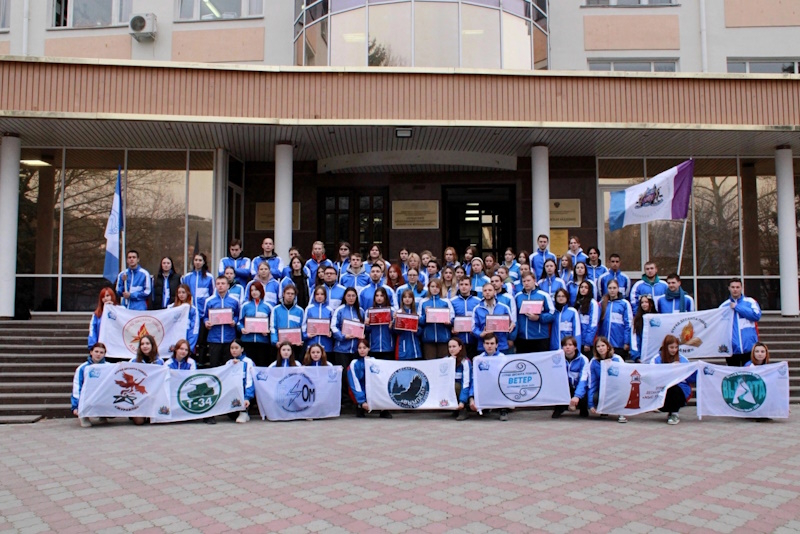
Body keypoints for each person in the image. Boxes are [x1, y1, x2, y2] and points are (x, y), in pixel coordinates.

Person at [651, 334, 696, 425]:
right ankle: (668, 410)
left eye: (676, 347)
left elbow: (691, 378)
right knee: (670, 388)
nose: (674, 350)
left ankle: (674, 413)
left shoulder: (683, 359)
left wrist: (683, 370)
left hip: (680, 390)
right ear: (665, 347)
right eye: (671, 347)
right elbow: (653, 376)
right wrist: (670, 369)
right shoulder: (656, 359)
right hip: (661, 389)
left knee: (674, 388)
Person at [332, 288, 365, 401]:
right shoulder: (339, 310)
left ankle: (355, 399)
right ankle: (344, 400)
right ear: (345, 297)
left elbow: (364, 328)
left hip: (355, 349)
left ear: (356, 297)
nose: (351, 298)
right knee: (343, 375)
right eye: (348, 296)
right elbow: (333, 327)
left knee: (355, 375)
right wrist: (343, 337)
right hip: (341, 349)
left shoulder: (360, 311)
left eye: (353, 296)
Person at [720, 278, 762, 367]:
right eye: (733, 287)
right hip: (732, 349)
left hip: (749, 348)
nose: (735, 289)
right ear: (729, 288)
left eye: (737, 287)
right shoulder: (724, 306)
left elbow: (756, 315)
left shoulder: (750, 302)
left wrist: (737, 307)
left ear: (741, 288)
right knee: (734, 374)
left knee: (749, 374)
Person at [347, 339, 392, 418]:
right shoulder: (354, 363)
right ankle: (360, 406)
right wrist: (362, 401)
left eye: (364, 348)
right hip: (360, 390)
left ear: (369, 349)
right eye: (360, 348)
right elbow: (355, 383)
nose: (362, 350)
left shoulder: (374, 361)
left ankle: (383, 409)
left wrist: (369, 363)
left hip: (372, 390)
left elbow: (380, 380)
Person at [203, 275, 240, 367]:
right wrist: (206, 322)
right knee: (214, 365)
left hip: (229, 338)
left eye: (223, 283)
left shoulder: (234, 300)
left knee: (228, 366)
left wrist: (234, 321)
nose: (220, 286)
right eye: (218, 284)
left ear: (228, 285)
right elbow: (205, 316)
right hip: (214, 338)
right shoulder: (209, 300)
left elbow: (237, 315)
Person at [587, 336, 627, 423]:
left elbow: (623, 378)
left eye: (603, 345)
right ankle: (604, 410)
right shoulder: (593, 361)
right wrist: (590, 404)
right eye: (598, 346)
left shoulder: (617, 359)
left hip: (617, 388)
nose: (600, 348)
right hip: (603, 389)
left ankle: (621, 412)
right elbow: (592, 382)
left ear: (608, 347)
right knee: (595, 397)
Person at [514, 273, 554, 354]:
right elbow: (515, 316)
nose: (526, 283)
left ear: (534, 281)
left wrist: (539, 318)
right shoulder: (518, 296)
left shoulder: (544, 295)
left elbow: (552, 314)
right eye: (524, 281)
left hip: (540, 337)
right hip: (522, 338)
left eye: (528, 280)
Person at [71, 343, 109, 428]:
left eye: (101, 352)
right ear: (91, 352)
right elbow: (77, 387)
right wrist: (75, 406)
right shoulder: (82, 368)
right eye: (96, 351)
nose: (98, 354)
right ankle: (84, 416)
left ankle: (103, 415)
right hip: (87, 396)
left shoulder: (109, 366)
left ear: (104, 354)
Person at [552, 336, 589, 419]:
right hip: (564, 388)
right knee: (554, 416)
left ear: (575, 347)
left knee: (584, 412)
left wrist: (577, 396)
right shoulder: (557, 358)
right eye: (565, 345)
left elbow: (583, 380)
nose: (567, 347)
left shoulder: (583, 359)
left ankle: (582, 407)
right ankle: (562, 407)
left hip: (579, 387)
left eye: (570, 345)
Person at [237, 281, 272, 368]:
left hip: (262, 341)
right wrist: (242, 328)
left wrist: (268, 330)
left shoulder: (268, 306)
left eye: (256, 290)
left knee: (261, 365)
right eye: (252, 290)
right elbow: (239, 322)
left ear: (261, 291)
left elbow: (272, 323)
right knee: (249, 366)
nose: (254, 292)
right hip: (247, 341)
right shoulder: (245, 306)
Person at [418, 279, 455, 360]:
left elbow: (452, 318)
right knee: (430, 363)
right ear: (429, 288)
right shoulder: (423, 302)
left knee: (443, 363)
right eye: (432, 286)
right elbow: (419, 321)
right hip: (428, 338)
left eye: (437, 287)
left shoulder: (446, 301)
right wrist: (426, 315)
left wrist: (449, 322)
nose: (435, 289)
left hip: (443, 338)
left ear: (440, 288)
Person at [473, 283, 514, 355]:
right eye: (485, 290)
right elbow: (474, 327)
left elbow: (512, 324)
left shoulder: (504, 307)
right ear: (482, 293)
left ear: (495, 292)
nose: (487, 292)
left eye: (490, 290)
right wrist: (480, 334)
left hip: (501, 345)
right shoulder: (477, 309)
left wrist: (511, 327)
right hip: (483, 346)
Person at [597, 279, 633, 360]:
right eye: (610, 288)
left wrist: (626, 342)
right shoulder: (602, 303)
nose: (612, 290)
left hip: (618, 344)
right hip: (604, 344)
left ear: (618, 289)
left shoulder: (624, 303)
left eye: (614, 288)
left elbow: (628, 324)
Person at [476, 334, 508, 420]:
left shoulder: (503, 357)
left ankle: (503, 409)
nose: (489, 346)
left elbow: (501, 373)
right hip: (485, 384)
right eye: (487, 343)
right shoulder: (479, 358)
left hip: (498, 382)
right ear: (483, 345)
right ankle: (486, 406)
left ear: (496, 345)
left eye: (492, 343)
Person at [270, 284, 305, 362]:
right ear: (283, 294)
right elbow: (273, 327)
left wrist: (301, 339)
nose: (290, 295)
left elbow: (303, 327)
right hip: (280, 344)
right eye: (288, 293)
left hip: (295, 345)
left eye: (292, 294)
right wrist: (275, 341)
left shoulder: (300, 310)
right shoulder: (276, 309)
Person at [449, 277, 482, 357]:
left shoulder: (478, 301)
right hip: (459, 340)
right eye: (461, 284)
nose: (464, 287)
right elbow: (450, 318)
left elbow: (480, 318)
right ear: (458, 286)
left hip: (474, 339)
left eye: (466, 284)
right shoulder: (452, 301)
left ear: (471, 286)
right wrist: (452, 327)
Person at [226, 339, 255, 423]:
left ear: (242, 349)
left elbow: (250, 381)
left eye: (236, 348)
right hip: (233, 393)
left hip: (245, 393)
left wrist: (247, 397)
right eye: (232, 348)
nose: (234, 350)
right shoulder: (228, 363)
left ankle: (244, 412)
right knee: (232, 416)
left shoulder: (248, 361)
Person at [447, 337, 475, 421]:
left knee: (455, 386)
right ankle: (454, 408)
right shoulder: (447, 360)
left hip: (465, 389)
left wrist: (462, 401)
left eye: (454, 346)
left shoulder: (465, 362)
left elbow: (466, 383)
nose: (451, 349)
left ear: (460, 347)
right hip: (453, 389)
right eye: (450, 347)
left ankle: (463, 409)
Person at [364, 287, 395, 360]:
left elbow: (396, 331)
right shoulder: (369, 311)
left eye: (381, 296)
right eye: (377, 296)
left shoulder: (392, 310)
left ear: (385, 297)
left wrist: (392, 327)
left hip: (388, 347)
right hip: (374, 347)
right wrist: (367, 325)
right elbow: (366, 331)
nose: (379, 298)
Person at [303, 286, 334, 353]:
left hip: (326, 345)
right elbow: (304, 325)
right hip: (311, 344)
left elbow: (333, 326)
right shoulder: (309, 309)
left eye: (322, 294)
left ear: (325, 296)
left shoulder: (330, 310)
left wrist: (331, 333)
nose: (319, 296)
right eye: (317, 294)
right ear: (314, 296)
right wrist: (306, 335)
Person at [169, 284, 199, 353]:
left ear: (188, 293)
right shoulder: (170, 308)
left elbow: (194, 330)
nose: (181, 295)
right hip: (173, 342)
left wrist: (189, 347)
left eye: (183, 292)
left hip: (186, 340)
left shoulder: (193, 310)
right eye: (179, 292)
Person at [395, 289, 423, 360]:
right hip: (403, 346)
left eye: (409, 297)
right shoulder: (398, 312)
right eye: (405, 297)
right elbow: (395, 331)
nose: (407, 299)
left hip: (416, 348)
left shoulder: (416, 313)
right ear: (402, 299)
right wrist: (399, 324)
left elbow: (420, 330)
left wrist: (416, 330)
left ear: (413, 299)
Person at [574, 280, 599, 356]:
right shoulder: (578, 303)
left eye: (586, 287)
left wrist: (588, 342)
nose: (583, 289)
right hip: (578, 340)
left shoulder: (593, 303)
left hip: (587, 343)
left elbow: (593, 324)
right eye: (581, 287)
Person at [630, 295, 657, 362]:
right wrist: (637, 356)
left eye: (646, 302)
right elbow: (634, 340)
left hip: (655, 356)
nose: (644, 304)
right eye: (642, 302)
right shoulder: (637, 320)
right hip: (641, 356)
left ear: (651, 303)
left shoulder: (657, 318)